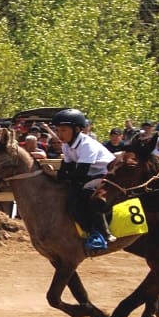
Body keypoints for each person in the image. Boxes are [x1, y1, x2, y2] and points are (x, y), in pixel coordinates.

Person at [49, 108, 115, 254]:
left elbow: (80, 174)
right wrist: (58, 176)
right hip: (90, 174)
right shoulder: (67, 145)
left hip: (107, 175)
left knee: (87, 194)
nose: (59, 134)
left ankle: (102, 233)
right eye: (58, 130)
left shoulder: (87, 144)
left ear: (77, 129)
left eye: (63, 130)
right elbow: (66, 168)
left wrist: (56, 176)